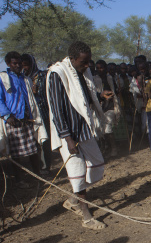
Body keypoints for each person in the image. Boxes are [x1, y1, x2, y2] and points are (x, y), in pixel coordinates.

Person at [46, 41, 109, 230]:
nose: (87, 66)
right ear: (72, 59)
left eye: (88, 62)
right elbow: (57, 109)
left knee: (97, 166)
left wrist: (100, 97)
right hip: (69, 133)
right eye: (84, 62)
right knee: (77, 172)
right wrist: (67, 138)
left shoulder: (82, 73)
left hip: (84, 128)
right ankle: (87, 217)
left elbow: (83, 98)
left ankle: (73, 200)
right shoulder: (57, 74)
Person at [0, 51, 47, 188]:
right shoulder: (3, 78)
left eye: (20, 63)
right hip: (13, 120)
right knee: (16, 153)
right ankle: (19, 180)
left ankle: (37, 176)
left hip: (27, 119)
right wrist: (8, 116)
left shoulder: (25, 79)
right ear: (9, 64)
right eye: (15, 63)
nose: (18, 65)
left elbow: (30, 99)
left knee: (34, 148)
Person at [20, 53, 52, 174]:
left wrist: (37, 93)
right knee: (33, 141)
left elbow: (48, 94)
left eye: (26, 65)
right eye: (23, 66)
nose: (25, 68)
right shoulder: (22, 79)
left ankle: (45, 167)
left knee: (44, 140)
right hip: (30, 115)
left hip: (43, 112)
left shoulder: (42, 76)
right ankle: (36, 167)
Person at [93, 60, 120, 157]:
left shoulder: (110, 78)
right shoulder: (94, 79)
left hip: (111, 106)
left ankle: (114, 149)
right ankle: (106, 148)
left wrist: (112, 93)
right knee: (101, 130)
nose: (100, 70)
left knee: (108, 128)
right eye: (98, 68)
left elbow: (115, 90)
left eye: (102, 67)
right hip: (100, 107)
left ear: (105, 68)